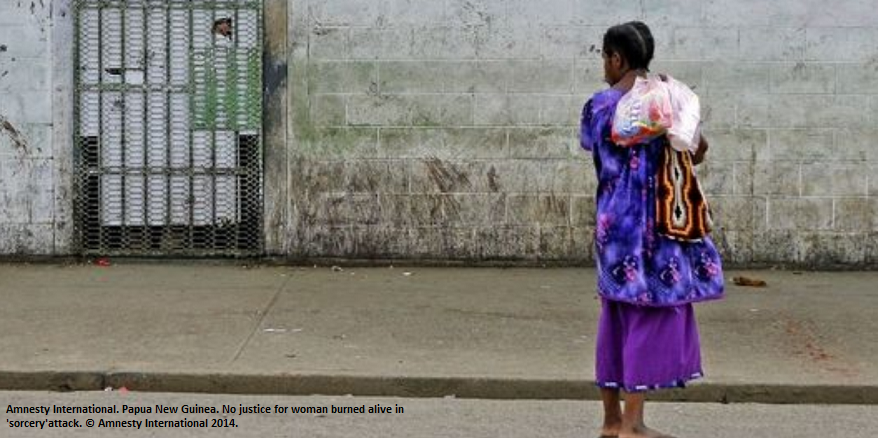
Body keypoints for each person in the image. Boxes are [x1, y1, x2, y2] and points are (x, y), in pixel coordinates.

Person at [580, 21, 724, 438]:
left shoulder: (600, 106)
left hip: (613, 228)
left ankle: (611, 422)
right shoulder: (668, 102)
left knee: (616, 315)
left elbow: (593, 144)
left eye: (604, 58)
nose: (603, 66)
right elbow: (695, 151)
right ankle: (633, 425)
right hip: (656, 228)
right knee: (647, 316)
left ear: (616, 58)